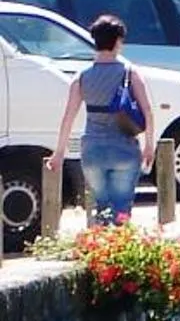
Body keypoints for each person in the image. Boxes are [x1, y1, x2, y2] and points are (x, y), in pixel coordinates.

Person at [49, 15, 152, 228]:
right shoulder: (129, 73)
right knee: (122, 210)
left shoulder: (82, 77)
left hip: (92, 149)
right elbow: (147, 111)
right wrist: (149, 145)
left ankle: (99, 252)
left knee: (101, 207)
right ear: (118, 41)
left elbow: (68, 117)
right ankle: (119, 255)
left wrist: (59, 153)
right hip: (124, 148)